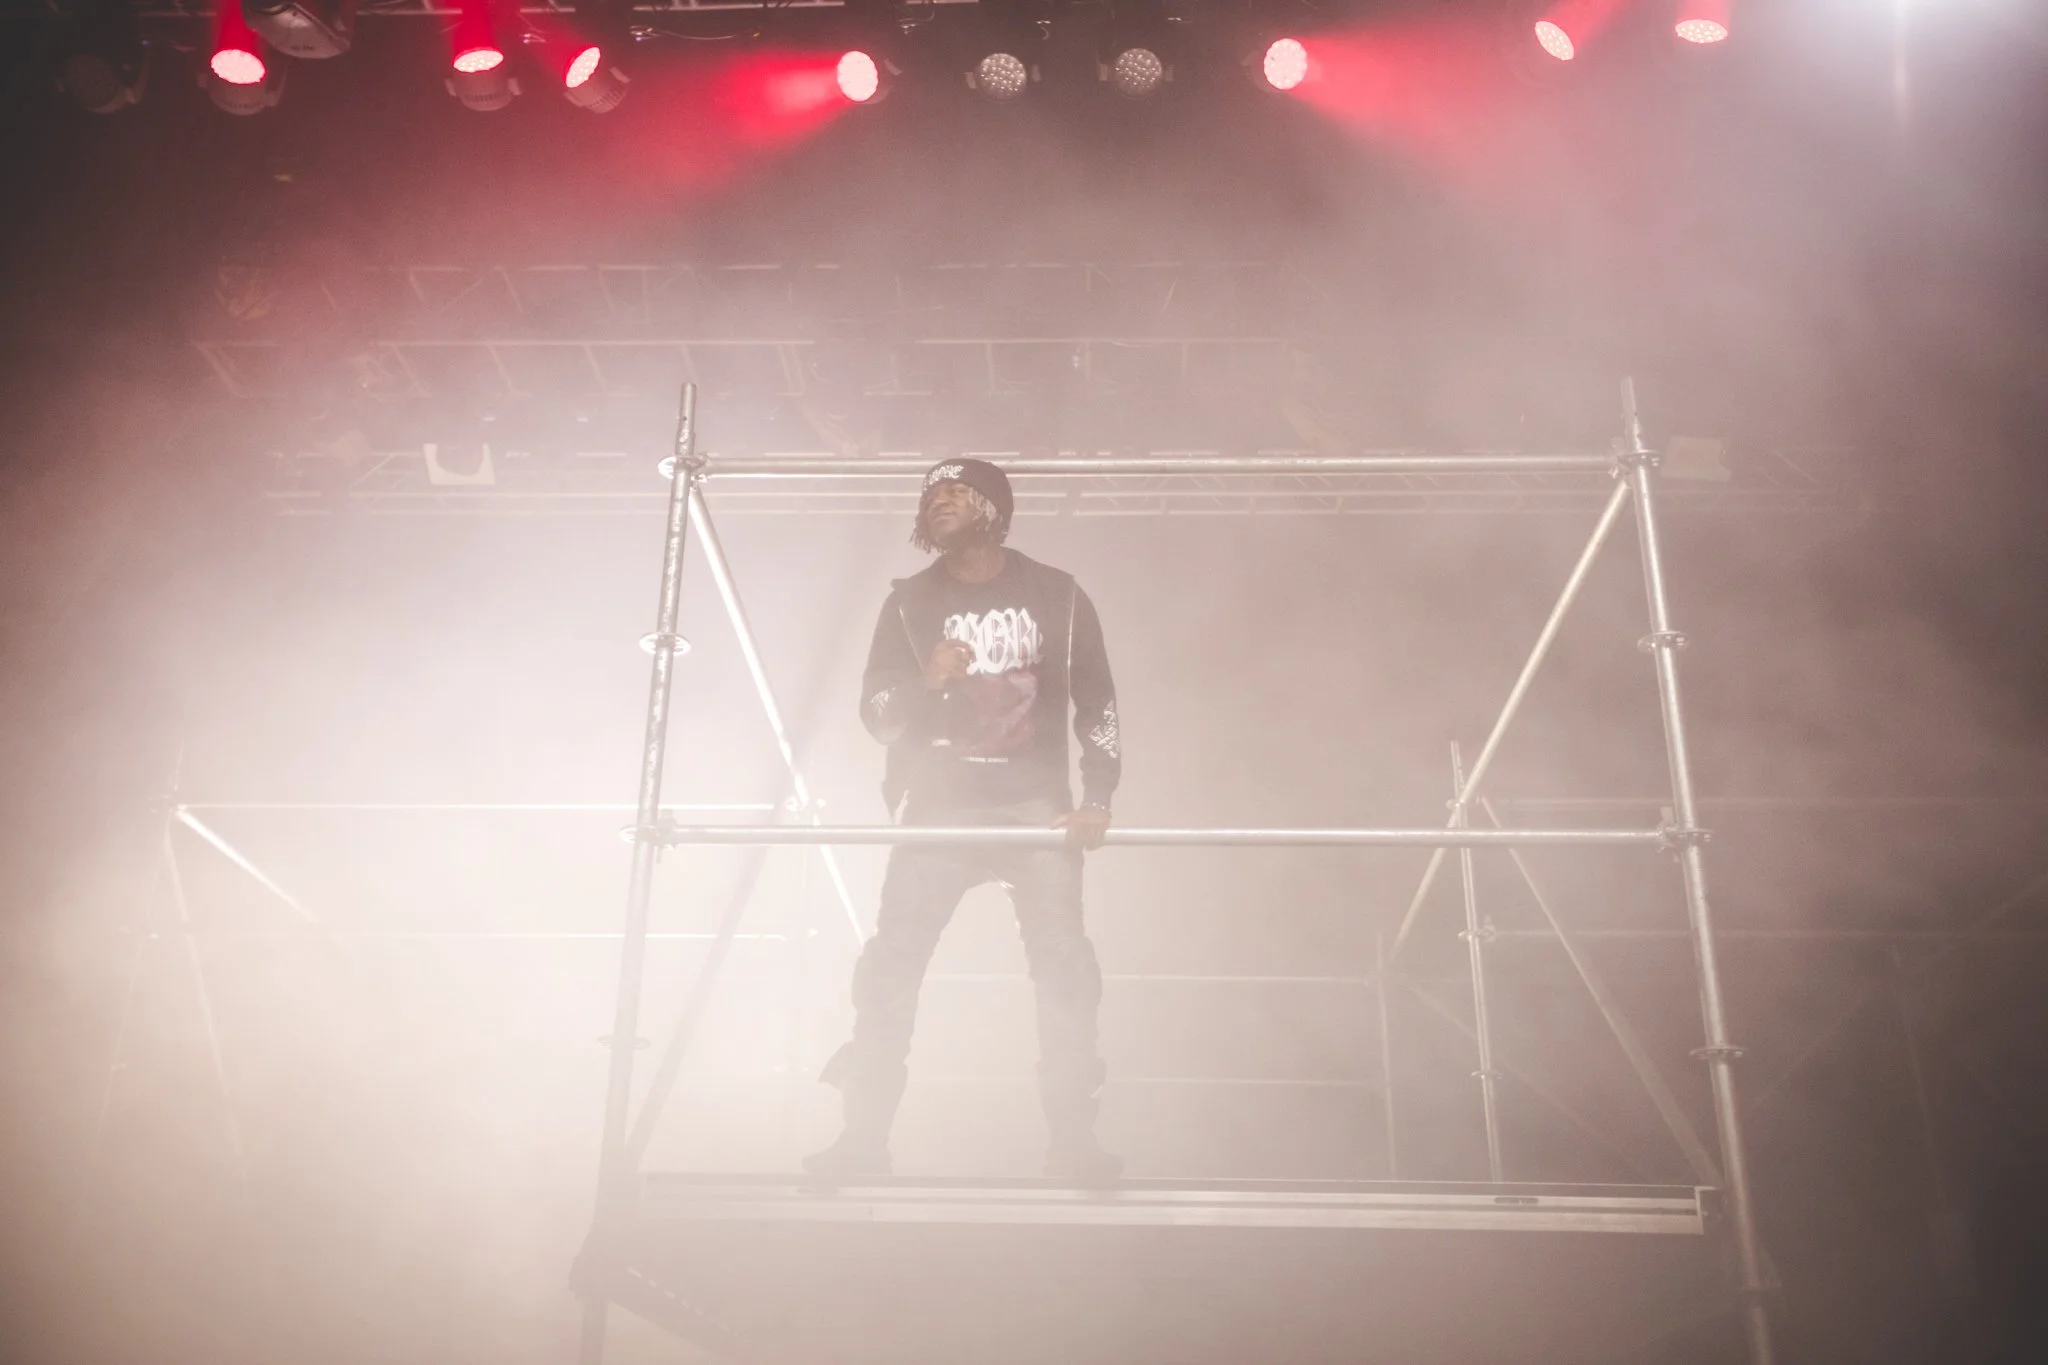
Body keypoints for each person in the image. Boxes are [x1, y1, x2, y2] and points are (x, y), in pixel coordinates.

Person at [804, 457, 1124, 1185]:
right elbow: (877, 718)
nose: (938, 501)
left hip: (1034, 802)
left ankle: (1072, 1145)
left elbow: (1097, 700)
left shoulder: (1056, 595)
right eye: (930, 493)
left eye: (955, 491)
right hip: (940, 802)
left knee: (1065, 969)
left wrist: (1098, 794)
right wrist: (924, 683)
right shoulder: (910, 603)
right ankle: (861, 1142)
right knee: (890, 967)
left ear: (992, 507)